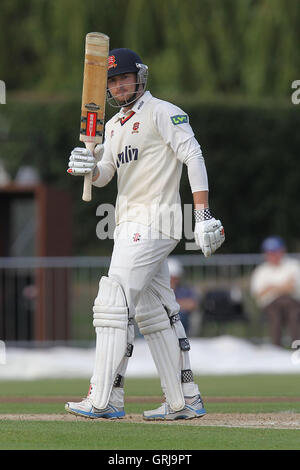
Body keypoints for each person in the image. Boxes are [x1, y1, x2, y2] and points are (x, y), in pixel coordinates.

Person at [66, 48, 225, 420]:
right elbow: (105, 174)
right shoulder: (114, 125)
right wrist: (87, 167)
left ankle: (104, 399)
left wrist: (202, 215)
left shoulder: (163, 112)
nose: (120, 87)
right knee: (156, 312)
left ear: (140, 76)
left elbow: (194, 156)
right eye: (113, 82)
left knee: (112, 303)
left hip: (154, 220)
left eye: (124, 78)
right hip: (127, 222)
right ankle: (182, 400)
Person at [250, 236, 300, 346]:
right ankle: (276, 349)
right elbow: (258, 293)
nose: (273, 255)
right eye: (270, 252)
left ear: (282, 251)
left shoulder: (293, 266)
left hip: (291, 302)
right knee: (275, 315)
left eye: (276, 252)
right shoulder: (261, 271)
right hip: (270, 305)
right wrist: (283, 286)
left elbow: (293, 288)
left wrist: (271, 287)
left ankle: (296, 347)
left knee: (293, 313)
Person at [168, 257, 199, 336]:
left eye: (176, 278)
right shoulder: (158, 291)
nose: (174, 280)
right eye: (172, 278)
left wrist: (169, 306)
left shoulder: (185, 289)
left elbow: (192, 304)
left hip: (181, 324)